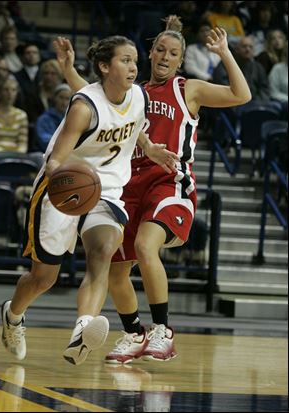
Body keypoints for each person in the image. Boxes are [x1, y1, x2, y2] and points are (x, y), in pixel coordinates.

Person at [56, 15, 251, 364]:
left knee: (147, 246)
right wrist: (69, 70)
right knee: (116, 270)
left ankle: (163, 330)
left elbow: (242, 94)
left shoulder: (187, 89)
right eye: (159, 49)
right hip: (129, 186)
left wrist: (224, 52)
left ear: (180, 59)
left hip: (169, 183)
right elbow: (92, 97)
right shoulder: (134, 93)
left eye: (172, 52)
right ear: (150, 53)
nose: (164, 56)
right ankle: (134, 333)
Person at [0, 34, 179, 366]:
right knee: (44, 278)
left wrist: (150, 148)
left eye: (135, 61)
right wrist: (59, 174)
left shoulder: (138, 95)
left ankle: (83, 328)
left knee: (102, 252)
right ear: (104, 66)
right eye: (125, 60)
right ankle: (13, 314)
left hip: (107, 190)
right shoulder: (84, 107)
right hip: (63, 187)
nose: (133, 67)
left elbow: (133, 123)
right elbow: (55, 159)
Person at [0, 77, 28, 153]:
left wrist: (17, 153)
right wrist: (4, 152)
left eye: (13, 90)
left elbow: (23, 144)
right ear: (0, 92)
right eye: (6, 90)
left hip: (16, 154)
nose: (10, 93)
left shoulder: (22, 115)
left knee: (38, 157)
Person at [35, 83, 72, 152]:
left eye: (67, 99)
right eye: (61, 97)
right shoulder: (44, 119)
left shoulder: (73, 120)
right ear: (54, 98)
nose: (64, 102)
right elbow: (44, 141)